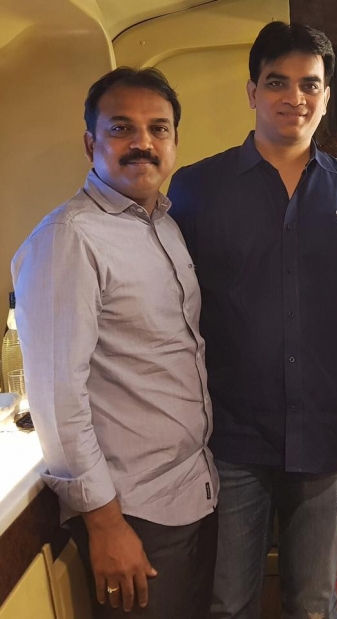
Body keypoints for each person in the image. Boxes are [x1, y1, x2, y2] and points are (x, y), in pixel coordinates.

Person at [168, 21, 337, 619]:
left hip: (328, 437)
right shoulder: (196, 188)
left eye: (310, 84)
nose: (295, 97)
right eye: (277, 82)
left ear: (326, 96)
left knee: (313, 604)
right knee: (227, 602)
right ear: (252, 92)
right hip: (231, 437)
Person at [12, 67, 218, 619]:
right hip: (132, 511)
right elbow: (57, 399)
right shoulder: (69, 238)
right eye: (121, 128)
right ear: (91, 144)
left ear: (174, 141)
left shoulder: (163, 225)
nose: (142, 143)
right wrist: (104, 523)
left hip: (192, 491)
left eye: (158, 128)